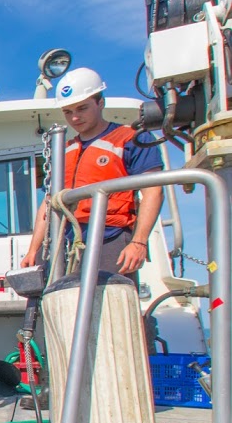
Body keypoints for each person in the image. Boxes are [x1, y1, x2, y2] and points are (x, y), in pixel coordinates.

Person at [20, 67, 164, 279]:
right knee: (56, 302)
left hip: (110, 238)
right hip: (68, 240)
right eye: (68, 112)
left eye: (82, 108)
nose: (75, 118)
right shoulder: (64, 150)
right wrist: (34, 250)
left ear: (100, 103)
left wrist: (139, 242)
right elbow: (49, 203)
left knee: (110, 305)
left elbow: (153, 192)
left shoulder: (129, 139)